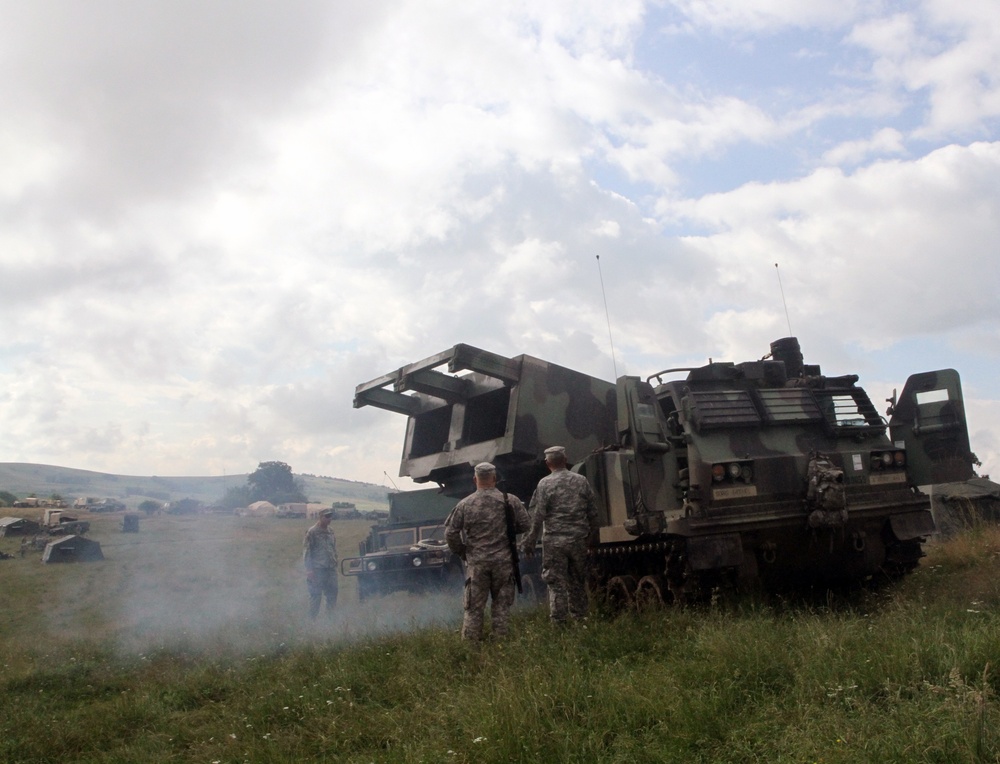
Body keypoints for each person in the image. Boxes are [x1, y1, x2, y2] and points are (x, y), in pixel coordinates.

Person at [445, 462, 529, 642]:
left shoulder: (465, 504)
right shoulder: (510, 501)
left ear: (475, 479)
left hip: (477, 564)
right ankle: (500, 644)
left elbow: (450, 533)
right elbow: (525, 524)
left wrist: (463, 552)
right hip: (503, 563)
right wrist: (506, 532)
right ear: (495, 478)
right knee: (501, 607)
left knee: (473, 609)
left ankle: (471, 649)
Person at [522, 445, 600, 624]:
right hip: (578, 540)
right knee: (577, 583)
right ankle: (581, 621)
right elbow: (593, 512)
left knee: (556, 585)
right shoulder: (581, 481)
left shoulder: (544, 484)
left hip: (554, 542)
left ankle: (559, 624)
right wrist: (591, 536)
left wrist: (529, 542)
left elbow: (537, 516)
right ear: (565, 460)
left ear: (547, 463)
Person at [303, 508, 338, 619]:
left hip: (330, 568)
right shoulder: (312, 532)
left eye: (330, 517)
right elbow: (307, 551)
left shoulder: (331, 531)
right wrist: (309, 570)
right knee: (316, 595)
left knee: (333, 594)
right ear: (320, 517)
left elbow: (333, 548)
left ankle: (330, 619)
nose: (329, 519)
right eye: (326, 517)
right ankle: (312, 621)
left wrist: (335, 560)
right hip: (317, 569)